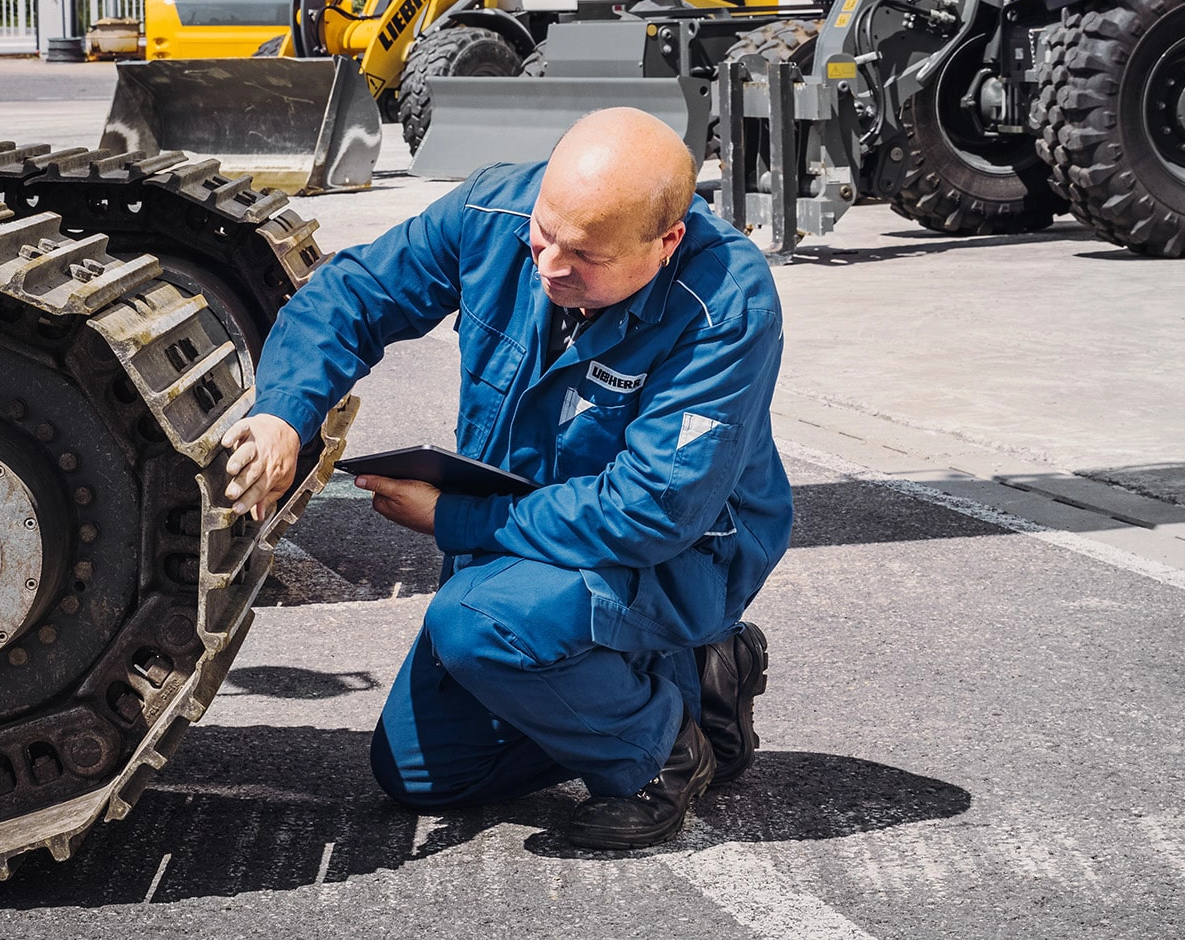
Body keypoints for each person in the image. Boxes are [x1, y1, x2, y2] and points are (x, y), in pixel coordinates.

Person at [221, 108, 791, 849]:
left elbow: (652, 511)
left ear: (666, 243)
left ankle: (660, 755)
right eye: (546, 231)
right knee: (424, 774)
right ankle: (691, 675)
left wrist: (453, 518)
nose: (550, 265)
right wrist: (284, 416)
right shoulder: (495, 211)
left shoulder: (724, 305)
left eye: (584, 255)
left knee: (478, 628)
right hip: (533, 546)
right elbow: (351, 297)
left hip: (679, 556)